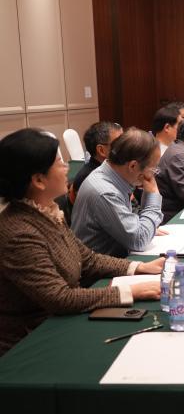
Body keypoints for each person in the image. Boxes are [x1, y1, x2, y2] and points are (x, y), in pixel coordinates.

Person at [0, 129, 162, 356]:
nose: (67, 167)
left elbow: (87, 258)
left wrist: (139, 267)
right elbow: (60, 298)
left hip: (60, 321)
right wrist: (131, 291)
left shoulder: (45, 212)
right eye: (59, 163)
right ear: (38, 180)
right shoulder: (19, 232)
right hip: (31, 342)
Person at [72, 128, 164, 257]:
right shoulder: (106, 192)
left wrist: (146, 227)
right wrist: (153, 195)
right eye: (153, 168)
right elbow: (139, 241)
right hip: (101, 267)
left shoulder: (112, 176)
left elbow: (137, 233)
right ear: (133, 166)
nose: (153, 174)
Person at [71, 121, 123, 198]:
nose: (127, 146)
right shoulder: (92, 180)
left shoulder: (114, 169)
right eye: (120, 143)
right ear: (101, 150)